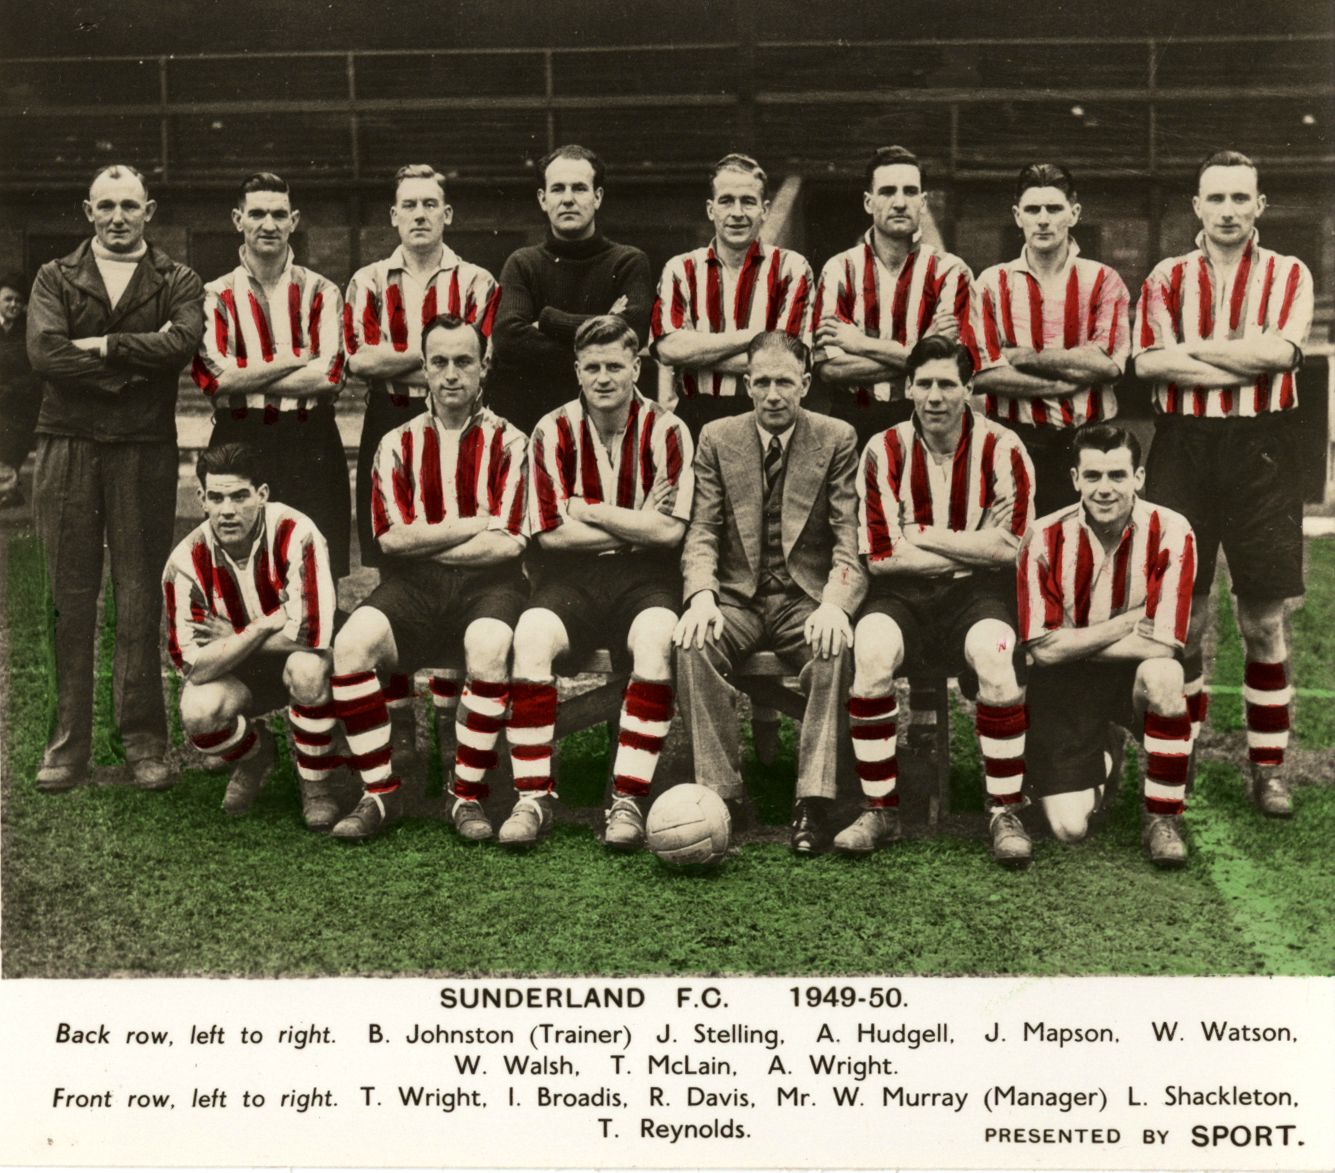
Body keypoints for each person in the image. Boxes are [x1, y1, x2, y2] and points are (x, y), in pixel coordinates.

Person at [1133, 150, 1314, 819]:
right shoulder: (1165, 277)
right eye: (1217, 198)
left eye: (1241, 198)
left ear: (1260, 205)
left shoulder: (1289, 273)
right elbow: (1149, 363)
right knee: (1183, 621)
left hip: (1262, 449)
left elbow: (1281, 354)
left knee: (1261, 622)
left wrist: (1191, 352)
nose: (1229, 210)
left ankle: (1267, 770)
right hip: (1183, 447)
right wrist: (1243, 361)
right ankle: (1180, 752)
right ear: (1197, 206)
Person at [26, 163, 204, 793]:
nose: (118, 217)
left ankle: (143, 742)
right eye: (106, 206)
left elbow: (181, 345)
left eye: (130, 205)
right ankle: (66, 746)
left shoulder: (177, 278)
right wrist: (131, 370)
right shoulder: (55, 275)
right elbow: (44, 352)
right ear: (88, 211)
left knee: (138, 595)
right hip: (67, 445)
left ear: (148, 211)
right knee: (68, 599)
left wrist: (102, 347)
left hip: (142, 448)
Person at [329, 314, 528, 842]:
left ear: (484, 366)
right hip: (413, 587)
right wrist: (473, 523)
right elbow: (390, 539)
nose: (451, 374)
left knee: (489, 643)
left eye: (463, 361)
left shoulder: (512, 442)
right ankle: (380, 792)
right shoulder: (396, 443)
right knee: (351, 644)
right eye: (439, 362)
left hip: (491, 585)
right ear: (423, 368)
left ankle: (465, 794)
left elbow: (509, 541)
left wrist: (430, 538)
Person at [502, 314, 694, 850]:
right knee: (531, 637)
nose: (603, 378)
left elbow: (670, 531)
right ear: (577, 372)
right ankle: (532, 797)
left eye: (614, 366)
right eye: (592, 368)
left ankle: (627, 798)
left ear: (636, 367)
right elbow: (550, 536)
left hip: (646, 577)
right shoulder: (551, 429)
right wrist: (635, 522)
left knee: (656, 640)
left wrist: (589, 509)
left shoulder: (669, 430)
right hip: (573, 576)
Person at [843, 336, 1035, 865]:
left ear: (969, 389)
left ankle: (1004, 811)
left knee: (997, 654)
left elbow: (1010, 547)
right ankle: (880, 808)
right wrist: (968, 548)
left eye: (947, 384)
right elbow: (882, 557)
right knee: (871, 649)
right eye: (924, 383)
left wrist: (922, 533)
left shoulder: (1005, 448)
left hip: (977, 595)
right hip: (902, 593)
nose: (934, 396)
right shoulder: (882, 449)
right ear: (907, 386)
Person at [674, 330, 864, 855]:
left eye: (785, 382)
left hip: (804, 599)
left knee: (834, 648)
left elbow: (848, 537)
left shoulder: (836, 438)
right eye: (762, 383)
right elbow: (703, 529)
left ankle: (813, 801)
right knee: (692, 643)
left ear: (806, 383)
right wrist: (702, 596)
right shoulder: (717, 437)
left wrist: (834, 604)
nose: (773, 395)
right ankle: (723, 796)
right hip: (738, 598)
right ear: (746, 385)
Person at [343, 163, 502, 767]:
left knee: (462, 558)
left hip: (461, 420)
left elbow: (480, 358)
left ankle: (447, 710)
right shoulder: (366, 281)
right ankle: (400, 716)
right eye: (408, 205)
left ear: (447, 214)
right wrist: (440, 357)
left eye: (430, 204)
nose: (419, 214)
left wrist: (426, 362)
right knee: (397, 563)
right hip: (390, 417)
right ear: (393, 216)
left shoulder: (477, 280)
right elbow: (359, 362)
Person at [1018, 423, 1197, 867]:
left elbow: (1163, 645)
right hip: (1065, 685)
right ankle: (1104, 754)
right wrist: (1127, 623)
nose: (1104, 489)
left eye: (1117, 475)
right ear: (1075, 478)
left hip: (1129, 675)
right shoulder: (1043, 536)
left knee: (1165, 674)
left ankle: (1162, 818)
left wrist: (1070, 639)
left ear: (1139, 477)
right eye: (1093, 476)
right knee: (1068, 828)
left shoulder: (1172, 530)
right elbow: (1043, 652)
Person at [163, 443, 340, 827]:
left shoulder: (297, 532)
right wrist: (260, 626)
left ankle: (316, 784)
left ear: (262, 494)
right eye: (216, 497)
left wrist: (232, 637)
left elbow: (312, 634)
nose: (227, 510)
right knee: (198, 711)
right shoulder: (185, 561)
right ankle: (257, 755)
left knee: (307, 668)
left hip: (295, 658)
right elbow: (194, 666)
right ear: (201, 499)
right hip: (243, 668)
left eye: (240, 496)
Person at [192, 173, 350, 578]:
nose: (269, 224)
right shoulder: (215, 294)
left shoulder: (322, 291)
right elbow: (215, 378)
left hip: (310, 437)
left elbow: (330, 376)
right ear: (238, 219)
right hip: (239, 434)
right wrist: (295, 357)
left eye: (279, 214)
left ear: (293, 221)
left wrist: (249, 370)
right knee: (239, 563)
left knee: (315, 565)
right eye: (257, 213)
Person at [971, 163, 1131, 518]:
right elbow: (982, 373)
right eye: (1033, 209)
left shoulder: (1103, 280)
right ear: (1018, 216)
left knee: (1089, 544)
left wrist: (1022, 357)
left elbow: (1107, 364)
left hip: (1090, 441)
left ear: (1074, 213)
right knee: (1017, 541)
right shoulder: (991, 284)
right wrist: (1062, 382)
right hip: (1015, 437)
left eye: (1054, 209)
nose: (1043, 220)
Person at [812, 145, 976, 449]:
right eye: (887, 191)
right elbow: (831, 369)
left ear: (923, 202)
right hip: (854, 421)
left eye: (910, 192)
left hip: (927, 419)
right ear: (868, 202)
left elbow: (952, 366)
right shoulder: (839, 269)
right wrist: (922, 351)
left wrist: (861, 344)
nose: (900, 203)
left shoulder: (951, 272)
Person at [489, 144, 653, 437]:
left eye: (579, 188)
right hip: (533, 422)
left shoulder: (628, 262)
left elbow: (632, 333)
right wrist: (604, 327)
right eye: (557, 189)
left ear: (597, 197)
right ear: (543, 199)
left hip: (606, 427)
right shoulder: (522, 263)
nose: (567, 199)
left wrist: (548, 320)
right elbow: (508, 340)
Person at [652, 154, 814, 439]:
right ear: (710, 209)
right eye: (726, 201)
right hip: (696, 414)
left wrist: (696, 355)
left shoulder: (792, 268)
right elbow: (668, 349)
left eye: (748, 201)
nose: (737, 212)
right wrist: (756, 336)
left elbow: (786, 361)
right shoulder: (680, 269)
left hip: (767, 414)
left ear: (764, 210)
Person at [0, 273, 39, 508]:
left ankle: (7, 487)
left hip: (17, 403)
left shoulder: (28, 330)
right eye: (8, 299)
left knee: (12, 438)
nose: (13, 305)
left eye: (18, 301)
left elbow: (36, 370)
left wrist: (11, 391)